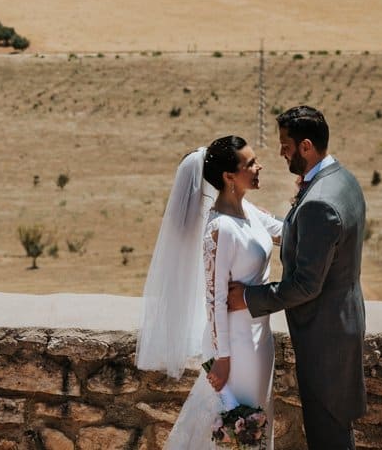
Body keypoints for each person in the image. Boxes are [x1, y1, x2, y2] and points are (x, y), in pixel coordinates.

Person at [228, 105, 366, 450]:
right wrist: (270, 223)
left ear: (306, 146)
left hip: (325, 338)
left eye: (285, 145)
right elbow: (317, 242)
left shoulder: (319, 202)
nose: (281, 152)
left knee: (328, 433)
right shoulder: (341, 180)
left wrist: (247, 297)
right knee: (335, 428)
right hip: (342, 322)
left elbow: (305, 284)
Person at [136, 136, 283, 449]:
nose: (259, 167)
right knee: (242, 430)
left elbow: (285, 233)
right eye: (251, 163)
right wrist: (223, 359)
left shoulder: (250, 212)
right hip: (237, 349)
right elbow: (215, 299)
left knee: (255, 426)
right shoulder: (220, 227)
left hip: (260, 340)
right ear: (229, 176)